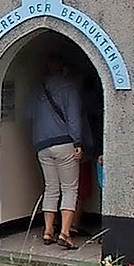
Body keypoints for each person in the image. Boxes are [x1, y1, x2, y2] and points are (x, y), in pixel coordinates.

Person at [27, 53, 85, 249]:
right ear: (65, 69)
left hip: (42, 145)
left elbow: (29, 116)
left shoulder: (37, 89)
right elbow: (74, 118)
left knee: (50, 188)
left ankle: (47, 231)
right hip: (64, 143)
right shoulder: (70, 88)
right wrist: (78, 142)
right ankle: (65, 233)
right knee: (70, 188)